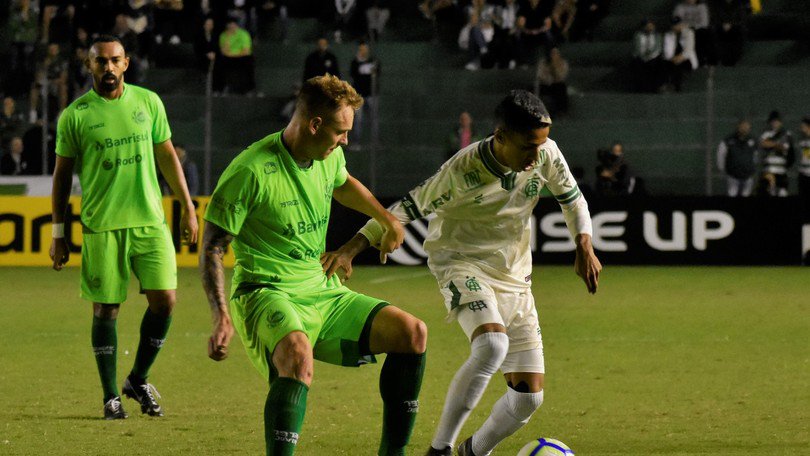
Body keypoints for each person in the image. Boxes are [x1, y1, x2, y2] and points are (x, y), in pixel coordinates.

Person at [332, 90, 601, 456]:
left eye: (541, 144)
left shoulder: (546, 152)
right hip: (461, 263)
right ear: (501, 137)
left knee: (527, 399)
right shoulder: (463, 170)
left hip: (516, 276)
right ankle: (440, 449)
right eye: (528, 146)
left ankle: (471, 452)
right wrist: (350, 249)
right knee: (492, 344)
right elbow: (404, 209)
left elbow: (573, 200)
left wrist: (583, 244)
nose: (537, 155)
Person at [199, 74, 427, 455]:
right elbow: (212, 248)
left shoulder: (328, 154)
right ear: (314, 124)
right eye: (341, 132)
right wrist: (221, 315)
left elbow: (343, 183)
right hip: (265, 291)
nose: (346, 141)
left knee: (412, 333)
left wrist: (386, 218)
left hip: (319, 286)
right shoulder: (249, 171)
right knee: (297, 356)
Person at [50, 35, 199, 420]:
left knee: (165, 300)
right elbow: (62, 177)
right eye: (101, 62)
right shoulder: (75, 115)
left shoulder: (148, 103)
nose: (109, 68)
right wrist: (58, 233)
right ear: (90, 67)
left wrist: (187, 206)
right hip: (103, 226)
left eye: (116, 60)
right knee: (107, 310)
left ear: (126, 64)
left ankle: (138, 379)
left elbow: (167, 156)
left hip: (150, 221)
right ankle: (109, 396)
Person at [757, 110, 794, 197]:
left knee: (782, 193)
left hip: (781, 170)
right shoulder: (765, 133)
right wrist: (776, 144)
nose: (775, 123)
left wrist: (771, 144)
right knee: (768, 193)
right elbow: (763, 144)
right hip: (768, 170)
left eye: (777, 121)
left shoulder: (786, 134)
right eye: (773, 121)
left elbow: (784, 147)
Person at [349, 41, 380, 144]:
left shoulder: (373, 61)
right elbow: (353, 75)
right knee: (357, 120)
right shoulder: (355, 62)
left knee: (374, 119)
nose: (363, 51)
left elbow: (377, 73)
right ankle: (356, 143)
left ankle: (375, 143)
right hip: (359, 95)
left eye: (365, 49)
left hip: (372, 94)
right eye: (361, 49)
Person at [716, 119, 757, 197]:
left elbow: (755, 156)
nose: (745, 129)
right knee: (732, 194)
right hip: (733, 176)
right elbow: (720, 156)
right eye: (743, 126)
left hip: (748, 176)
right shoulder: (728, 140)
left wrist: (751, 168)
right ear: (738, 127)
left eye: (747, 127)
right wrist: (722, 169)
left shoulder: (753, 140)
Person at [219, 17, 257, 95]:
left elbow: (246, 51)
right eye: (230, 25)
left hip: (242, 57)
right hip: (229, 58)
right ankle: (224, 87)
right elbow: (223, 51)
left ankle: (250, 89)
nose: (232, 27)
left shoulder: (244, 34)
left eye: (234, 25)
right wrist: (228, 38)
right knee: (220, 62)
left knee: (248, 61)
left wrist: (232, 55)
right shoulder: (223, 35)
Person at [662, 16, 697, 92]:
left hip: (686, 59)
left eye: (678, 24)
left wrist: (680, 58)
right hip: (672, 59)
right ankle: (665, 86)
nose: (676, 27)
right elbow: (667, 51)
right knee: (664, 64)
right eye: (674, 25)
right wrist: (673, 58)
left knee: (679, 65)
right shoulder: (668, 35)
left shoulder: (689, 33)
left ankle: (677, 87)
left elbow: (689, 49)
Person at [631, 19, 663, 93]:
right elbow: (636, 48)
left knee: (656, 64)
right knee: (637, 65)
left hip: (653, 57)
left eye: (651, 26)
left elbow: (658, 48)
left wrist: (650, 56)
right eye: (647, 26)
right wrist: (643, 56)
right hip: (640, 57)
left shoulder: (657, 36)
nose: (649, 28)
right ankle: (640, 88)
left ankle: (654, 88)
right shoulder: (638, 35)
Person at [535, 46, 569, 115]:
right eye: (552, 53)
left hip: (556, 85)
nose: (554, 55)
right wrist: (547, 78)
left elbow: (561, 77)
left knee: (561, 87)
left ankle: (561, 110)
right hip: (545, 84)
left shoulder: (563, 63)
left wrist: (554, 68)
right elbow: (539, 75)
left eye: (556, 53)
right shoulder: (543, 62)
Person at [798, 117, 810, 222]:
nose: (801, 129)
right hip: (804, 174)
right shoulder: (802, 140)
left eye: (803, 126)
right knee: (804, 202)